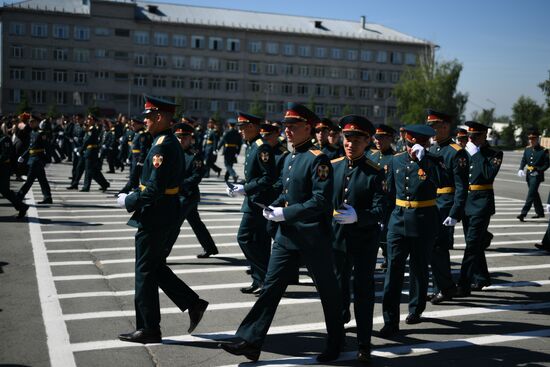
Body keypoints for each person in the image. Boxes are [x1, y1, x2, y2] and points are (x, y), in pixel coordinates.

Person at [219, 103, 344, 363]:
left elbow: (321, 201)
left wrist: (286, 213)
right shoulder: (290, 157)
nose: (287, 131)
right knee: (271, 288)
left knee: (328, 291)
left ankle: (336, 342)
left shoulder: (317, 158)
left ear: (308, 128)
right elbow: (284, 190)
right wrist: (274, 205)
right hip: (287, 237)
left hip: (312, 237)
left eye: (293, 126)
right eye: (286, 126)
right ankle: (251, 340)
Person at [117, 95, 208, 344]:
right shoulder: (166, 142)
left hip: (155, 214)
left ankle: (149, 328)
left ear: (158, 117)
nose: (144, 120)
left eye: (148, 116)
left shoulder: (162, 145)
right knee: (154, 267)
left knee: (144, 272)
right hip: (165, 212)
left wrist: (129, 201)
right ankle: (192, 302)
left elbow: (154, 188)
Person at [331, 115, 386, 364]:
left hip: (364, 240)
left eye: (356, 140)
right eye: (347, 138)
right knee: (337, 290)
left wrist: (360, 217)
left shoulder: (375, 173)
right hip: (337, 239)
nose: (350, 144)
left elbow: (382, 209)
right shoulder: (333, 167)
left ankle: (364, 343)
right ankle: (338, 336)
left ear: (367, 142)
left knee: (363, 292)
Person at [380, 124, 444, 337]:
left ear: (425, 143)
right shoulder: (395, 160)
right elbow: (388, 194)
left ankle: (416, 309)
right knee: (393, 272)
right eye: (408, 144)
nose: (410, 149)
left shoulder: (433, 162)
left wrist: (424, 160)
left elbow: (443, 181)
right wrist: (384, 221)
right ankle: (390, 321)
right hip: (397, 223)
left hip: (424, 222)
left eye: (415, 145)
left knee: (419, 269)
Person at [227, 112, 276, 294]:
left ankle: (264, 279)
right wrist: (241, 187)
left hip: (259, 202)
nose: (240, 132)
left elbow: (268, 177)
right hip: (254, 200)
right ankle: (259, 280)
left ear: (253, 127)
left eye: (243, 128)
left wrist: (246, 189)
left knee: (244, 238)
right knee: (260, 242)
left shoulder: (262, 148)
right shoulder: (252, 146)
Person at [425, 110, 469, 305]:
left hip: (445, 205)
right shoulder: (433, 150)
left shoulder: (456, 151)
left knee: (439, 247)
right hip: (431, 204)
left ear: (445, 127)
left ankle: (446, 288)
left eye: (435, 126)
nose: (432, 130)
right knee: (433, 249)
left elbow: (461, 186)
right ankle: (439, 287)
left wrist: (455, 212)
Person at [456, 121, 503, 295]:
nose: (471, 139)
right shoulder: (465, 152)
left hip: (481, 204)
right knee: (473, 243)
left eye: (475, 136)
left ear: (484, 136)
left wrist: (476, 154)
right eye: (470, 136)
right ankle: (482, 277)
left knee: (472, 245)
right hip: (466, 203)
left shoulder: (494, 153)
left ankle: (464, 284)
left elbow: (489, 174)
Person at [367, 124, 397, 270]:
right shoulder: (371, 155)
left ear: (390, 138)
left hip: (389, 202)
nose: (377, 141)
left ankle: (389, 258)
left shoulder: (395, 158)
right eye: (376, 137)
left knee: (387, 234)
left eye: (381, 138)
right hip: (372, 202)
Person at [16, 115, 53, 204]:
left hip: (37, 159)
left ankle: (19, 196)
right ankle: (48, 197)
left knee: (29, 180)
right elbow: (30, 147)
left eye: (32, 121)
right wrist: (23, 156)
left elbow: (47, 147)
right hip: (32, 158)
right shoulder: (32, 132)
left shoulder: (41, 133)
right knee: (42, 180)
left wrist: (48, 159)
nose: (30, 123)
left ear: (37, 122)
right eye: (30, 121)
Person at [517, 129, 549, 221]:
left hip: (537, 175)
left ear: (537, 139)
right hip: (529, 175)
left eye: (533, 138)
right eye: (530, 138)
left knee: (531, 194)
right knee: (534, 194)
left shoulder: (543, 151)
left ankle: (523, 213)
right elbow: (524, 160)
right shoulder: (527, 149)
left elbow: (547, 164)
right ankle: (540, 212)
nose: (531, 140)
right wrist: (520, 168)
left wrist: (538, 170)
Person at [0, 128, 28, 218]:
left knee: (5, 191)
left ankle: (22, 207)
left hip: (3, 170)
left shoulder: (4, 139)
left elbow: (6, 157)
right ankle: (22, 207)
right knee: (5, 191)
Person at [119, 119, 151, 194]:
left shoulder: (142, 134)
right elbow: (133, 148)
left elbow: (143, 148)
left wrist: (141, 160)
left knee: (133, 176)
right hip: (134, 157)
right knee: (135, 176)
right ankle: (136, 191)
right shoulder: (136, 133)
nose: (132, 125)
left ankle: (124, 191)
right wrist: (129, 157)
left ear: (140, 124)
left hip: (138, 158)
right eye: (132, 124)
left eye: (134, 124)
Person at [79, 114, 110, 192]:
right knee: (94, 170)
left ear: (93, 121)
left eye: (90, 120)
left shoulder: (93, 129)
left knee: (89, 170)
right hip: (91, 151)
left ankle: (86, 186)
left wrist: (81, 149)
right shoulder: (90, 129)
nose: (88, 121)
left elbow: (87, 140)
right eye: (88, 119)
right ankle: (104, 184)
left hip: (91, 151)